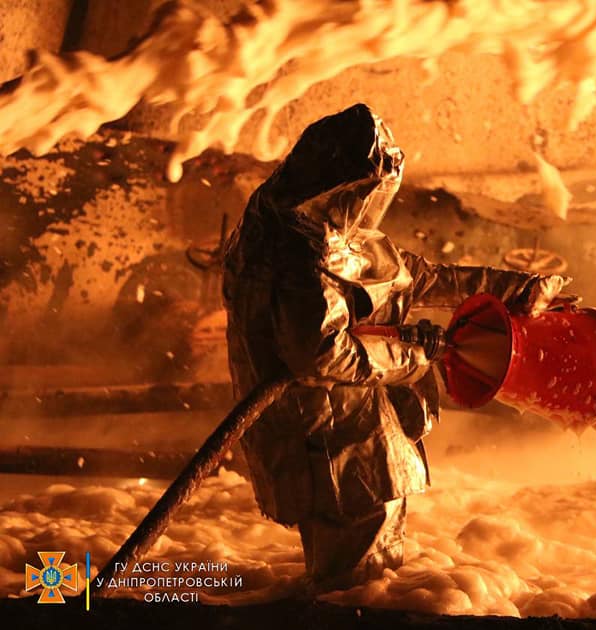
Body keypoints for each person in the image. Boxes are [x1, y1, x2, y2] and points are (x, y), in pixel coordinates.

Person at [222, 103, 568, 589]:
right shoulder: (295, 254)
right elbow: (320, 353)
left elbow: (418, 276)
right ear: (342, 183)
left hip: (351, 430)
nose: (372, 203)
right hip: (327, 437)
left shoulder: (325, 234)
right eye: (368, 189)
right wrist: (413, 355)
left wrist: (518, 290)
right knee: (356, 583)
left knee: (362, 572)